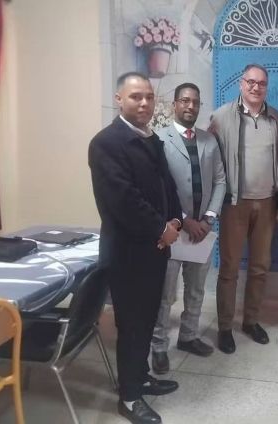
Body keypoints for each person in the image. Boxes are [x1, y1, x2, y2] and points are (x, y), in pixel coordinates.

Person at [88, 72, 183, 424]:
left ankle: (140, 377)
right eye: (135, 97)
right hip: (128, 252)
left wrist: (175, 221)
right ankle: (129, 398)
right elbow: (123, 199)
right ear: (119, 99)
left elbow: (167, 185)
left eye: (148, 97)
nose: (144, 103)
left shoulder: (150, 138)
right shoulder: (106, 143)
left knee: (146, 320)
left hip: (155, 249)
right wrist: (161, 228)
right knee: (131, 325)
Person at [150, 83, 226, 374]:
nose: (190, 106)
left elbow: (220, 181)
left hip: (202, 231)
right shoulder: (159, 139)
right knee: (165, 293)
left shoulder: (209, 141)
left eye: (195, 102)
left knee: (196, 289)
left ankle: (188, 336)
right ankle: (159, 346)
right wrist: (184, 220)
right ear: (174, 105)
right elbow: (158, 187)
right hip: (172, 230)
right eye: (184, 101)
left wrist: (208, 218)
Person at [208, 64, 278, 354]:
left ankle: (250, 321)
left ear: (266, 86)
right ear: (241, 84)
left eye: (261, 83)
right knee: (229, 268)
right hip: (234, 204)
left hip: (267, 203)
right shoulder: (221, 116)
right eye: (250, 82)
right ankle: (225, 327)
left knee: (260, 267)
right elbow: (210, 160)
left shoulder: (276, 118)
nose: (255, 87)